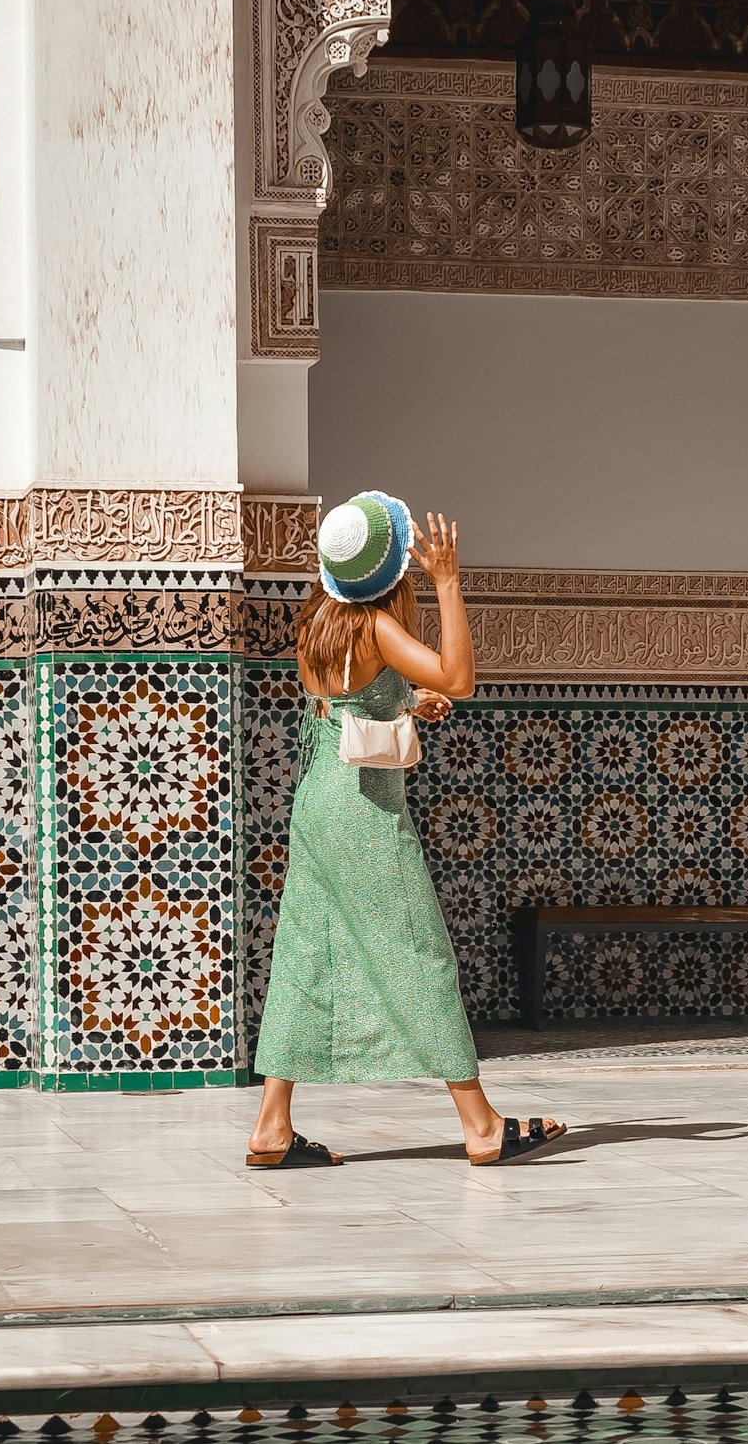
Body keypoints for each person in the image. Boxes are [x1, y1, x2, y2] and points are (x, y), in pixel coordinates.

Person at [248, 489, 566, 1169]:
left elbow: (344, 702)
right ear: (390, 572)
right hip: (364, 810)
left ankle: (272, 1126)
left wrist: (407, 702)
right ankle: (481, 1125)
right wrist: (448, 583)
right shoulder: (373, 628)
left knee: (306, 956)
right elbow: (461, 676)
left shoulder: (316, 623)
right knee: (419, 952)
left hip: (318, 803)